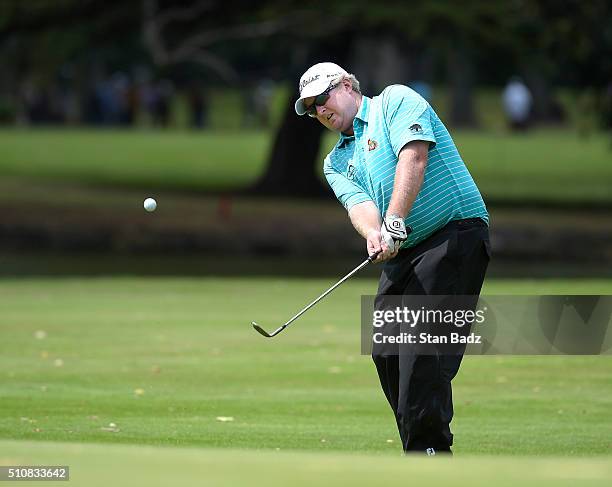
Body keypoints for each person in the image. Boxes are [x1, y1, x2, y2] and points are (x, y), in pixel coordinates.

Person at [294, 62, 490, 455]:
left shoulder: (395, 101)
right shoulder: (334, 161)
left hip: (454, 233)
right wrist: (374, 234)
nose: (320, 110)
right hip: (407, 249)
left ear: (347, 85)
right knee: (386, 350)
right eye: (312, 108)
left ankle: (428, 455)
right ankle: (419, 448)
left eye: (323, 98)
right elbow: (360, 205)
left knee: (421, 349)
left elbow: (413, 157)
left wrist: (396, 220)